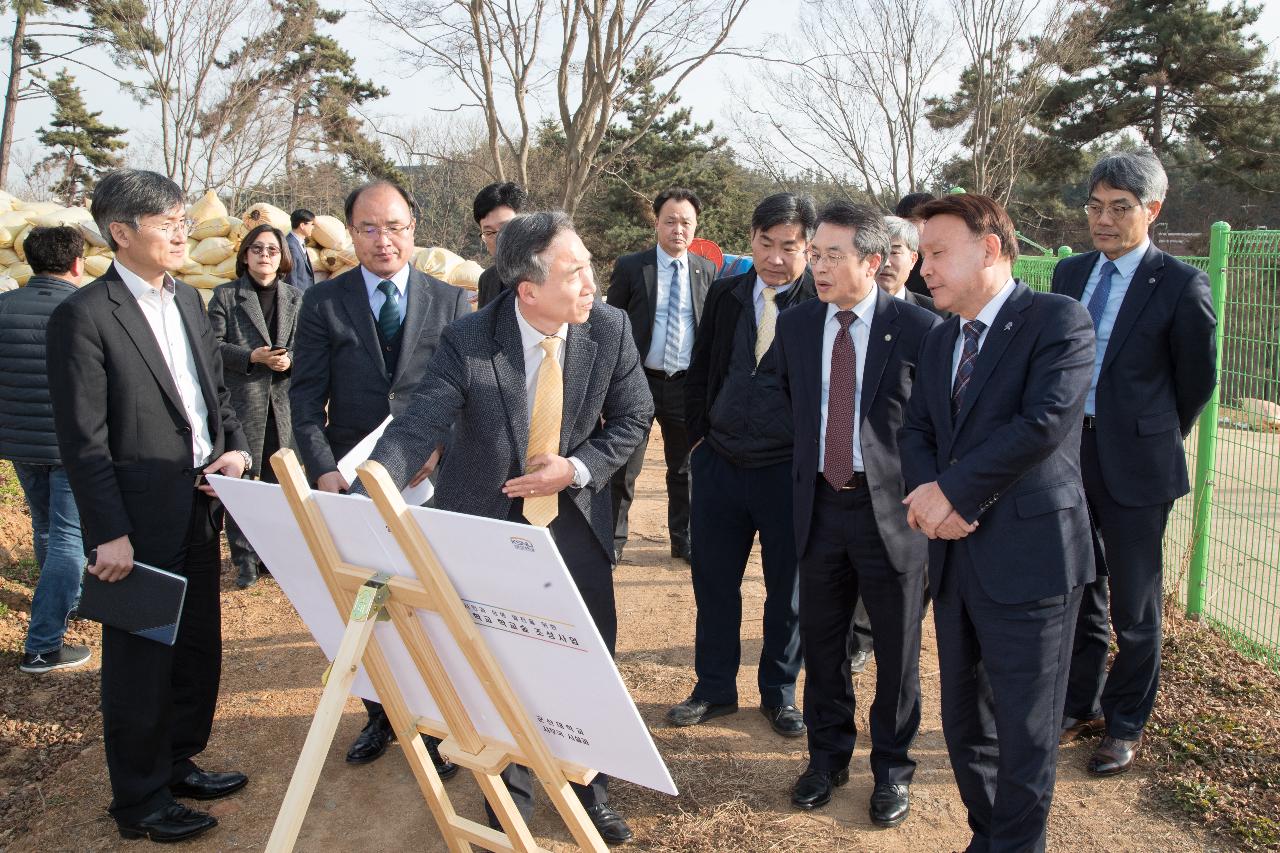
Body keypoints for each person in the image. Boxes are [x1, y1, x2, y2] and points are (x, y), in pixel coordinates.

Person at [362, 211, 653, 844]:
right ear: (528, 289)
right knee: (499, 662)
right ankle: (511, 801)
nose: (590, 284)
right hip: (488, 523)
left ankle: (589, 785)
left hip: (572, 517)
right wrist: (375, 486)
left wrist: (575, 468)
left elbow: (635, 417)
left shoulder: (608, 329)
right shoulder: (470, 338)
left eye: (589, 268)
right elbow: (418, 423)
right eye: (575, 273)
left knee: (585, 658)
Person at [46, 169, 252, 844]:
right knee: (141, 661)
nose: (181, 233)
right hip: (134, 523)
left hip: (197, 501)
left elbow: (210, 395)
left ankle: (177, 761)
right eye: (167, 223)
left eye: (183, 221)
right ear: (120, 232)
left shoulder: (189, 301)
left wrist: (232, 449)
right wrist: (108, 532)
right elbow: (84, 438)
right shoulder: (84, 316)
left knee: (196, 647)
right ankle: (138, 799)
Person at [899, 193, 1096, 852]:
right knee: (964, 723)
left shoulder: (1056, 320)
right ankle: (993, 837)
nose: (923, 267)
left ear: (989, 248)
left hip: (1033, 561)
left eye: (936, 252)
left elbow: (1042, 423)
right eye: (921, 253)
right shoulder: (937, 337)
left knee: (1026, 731)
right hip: (956, 562)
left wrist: (952, 495)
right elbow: (916, 427)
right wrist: (929, 496)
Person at [289, 178, 468, 774]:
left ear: (413, 230)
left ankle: (442, 724)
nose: (382, 240)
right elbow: (305, 397)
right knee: (368, 601)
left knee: (435, 600)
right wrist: (322, 472)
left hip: (429, 478)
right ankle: (379, 714)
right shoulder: (322, 303)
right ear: (350, 234)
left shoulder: (449, 301)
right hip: (354, 478)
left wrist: (440, 450)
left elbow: (466, 396)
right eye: (368, 227)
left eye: (394, 227)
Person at [775, 202, 938, 824]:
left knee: (897, 651)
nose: (816, 266)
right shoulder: (797, 326)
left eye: (831, 255)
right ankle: (827, 757)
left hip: (892, 514)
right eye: (814, 254)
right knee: (822, 641)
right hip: (818, 505)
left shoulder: (919, 328)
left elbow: (932, 427)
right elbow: (796, 404)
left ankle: (892, 770)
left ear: (873, 261)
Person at [1054, 151, 1217, 775]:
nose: (1103, 220)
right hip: (1070, 454)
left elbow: (1196, 379)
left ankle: (1124, 723)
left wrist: (1153, 434)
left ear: (1152, 211)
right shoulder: (1070, 273)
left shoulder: (1179, 283)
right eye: (1095, 206)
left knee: (1136, 606)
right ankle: (1079, 701)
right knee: (1081, 584)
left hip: (1139, 464)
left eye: (1120, 208)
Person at [669, 193, 816, 736]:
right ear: (751, 239)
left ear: (808, 249)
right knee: (713, 582)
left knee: (788, 588)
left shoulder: (820, 306)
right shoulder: (728, 294)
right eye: (766, 244)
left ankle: (779, 692)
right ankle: (713, 687)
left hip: (787, 471)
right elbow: (701, 371)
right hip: (721, 463)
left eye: (790, 247)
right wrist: (699, 441)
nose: (776, 258)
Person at [606, 188, 716, 563]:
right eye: (670, 221)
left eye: (686, 222)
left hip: (685, 384)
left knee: (684, 469)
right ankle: (614, 539)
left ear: (696, 226)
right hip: (637, 382)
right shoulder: (632, 267)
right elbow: (609, 325)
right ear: (656, 223)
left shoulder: (707, 271)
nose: (678, 230)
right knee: (624, 466)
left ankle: (681, 539)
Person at [0, 226, 89, 674]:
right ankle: (43, 644)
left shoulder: (3, 307)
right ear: (77, 264)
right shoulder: (82, 309)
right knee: (70, 539)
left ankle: (64, 602)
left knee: (48, 529)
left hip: (19, 443)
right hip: (70, 446)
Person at [207, 223, 303, 589]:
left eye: (273, 251)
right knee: (244, 482)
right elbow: (211, 346)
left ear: (283, 259)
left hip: (282, 404)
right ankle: (244, 558)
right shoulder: (226, 297)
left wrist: (288, 360)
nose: (265, 256)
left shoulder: (295, 297)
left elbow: (306, 345)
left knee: (281, 481)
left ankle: (272, 555)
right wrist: (252, 356)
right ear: (245, 255)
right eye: (258, 249)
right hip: (243, 401)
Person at [473, 181, 528, 309]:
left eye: (506, 227)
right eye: (489, 232)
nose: (499, 238)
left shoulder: (551, 272)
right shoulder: (487, 280)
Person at [894, 193, 935, 297]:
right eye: (901, 224)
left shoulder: (948, 261)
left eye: (912, 222)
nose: (905, 230)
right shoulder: (902, 261)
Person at [286, 209, 315, 292]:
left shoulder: (300, 242)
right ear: (302, 225)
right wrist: (294, 300)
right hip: (298, 297)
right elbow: (291, 277)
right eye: (311, 224)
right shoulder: (290, 245)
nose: (313, 227)